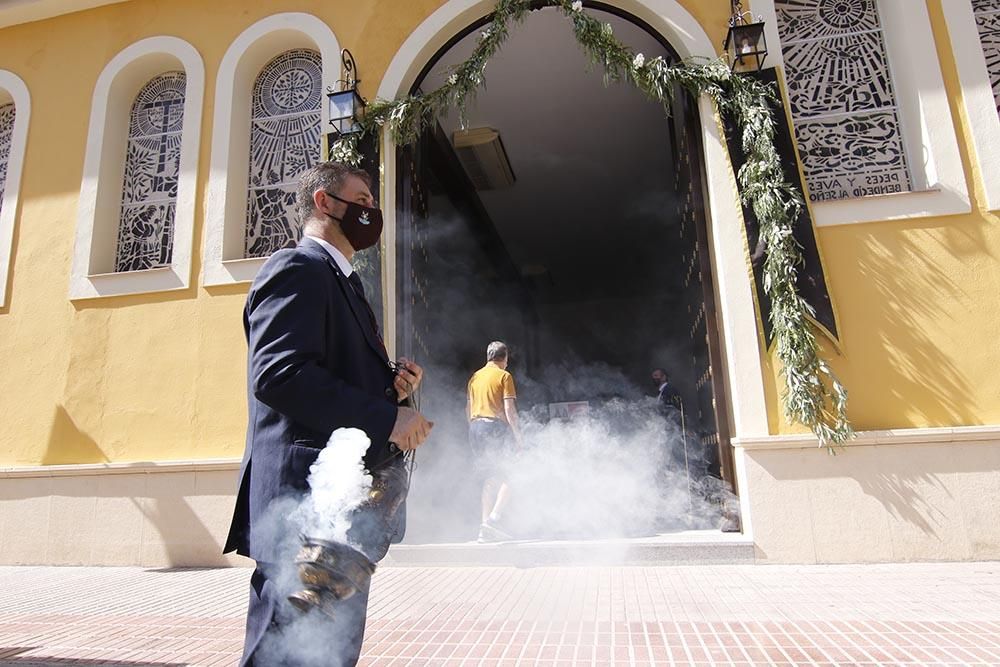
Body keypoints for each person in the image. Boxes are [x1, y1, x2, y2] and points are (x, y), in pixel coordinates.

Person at [224, 161, 433, 667]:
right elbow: (279, 375)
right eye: (362, 199)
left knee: (329, 656)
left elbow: (331, 378)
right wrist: (388, 420)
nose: (372, 212)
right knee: (286, 656)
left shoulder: (346, 285)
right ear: (324, 202)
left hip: (341, 515)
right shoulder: (296, 268)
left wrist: (393, 391)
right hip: (303, 511)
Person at [466, 341, 522, 542]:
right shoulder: (504, 376)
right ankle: (494, 519)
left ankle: (484, 529)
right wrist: (517, 436)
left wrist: (474, 429)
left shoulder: (475, 377)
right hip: (494, 428)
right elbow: (509, 410)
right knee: (512, 473)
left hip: (476, 428)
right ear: (504, 358)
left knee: (489, 478)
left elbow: (468, 408)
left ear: (488, 356)